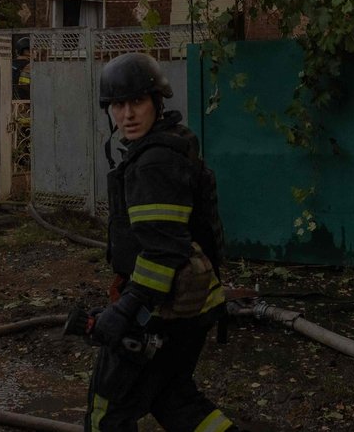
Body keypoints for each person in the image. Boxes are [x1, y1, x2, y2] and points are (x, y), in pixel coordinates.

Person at [84, 52, 235, 432]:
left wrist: (125, 310)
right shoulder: (174, 145)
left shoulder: (154, 163)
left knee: (108, 408)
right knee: (174, 399)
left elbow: (163, 251)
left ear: (157, 102)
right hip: (194, 308)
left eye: (137, 101)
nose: (128, 114)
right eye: (119, 104)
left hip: (162, 309)